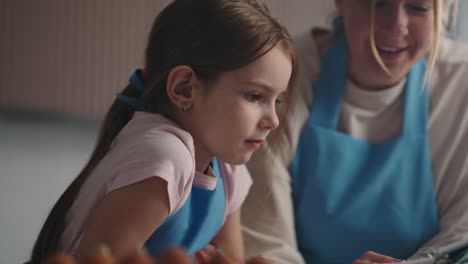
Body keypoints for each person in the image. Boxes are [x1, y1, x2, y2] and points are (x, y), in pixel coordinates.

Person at [28, 0, 298, 263]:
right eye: (254, 96)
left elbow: (232, 259)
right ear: (184, 88)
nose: (273, 120)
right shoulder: (165, 156)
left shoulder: (229, 170)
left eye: (278, 100)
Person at [241, 0, 468, 263]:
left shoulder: (459, 83)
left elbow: (459, 237)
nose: (397, 26)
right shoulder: (283, 76)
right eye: (377, 4)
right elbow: (264, 241)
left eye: (418, 7)